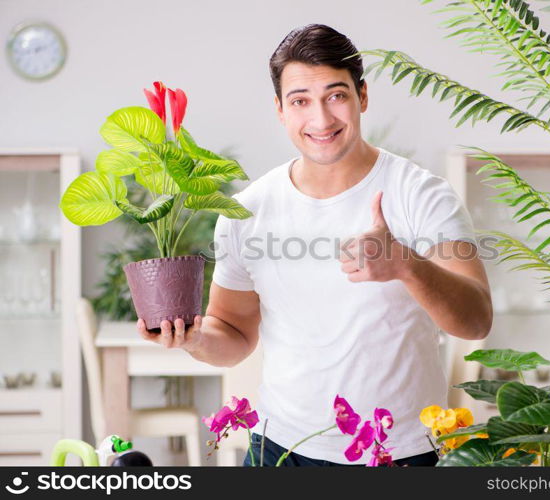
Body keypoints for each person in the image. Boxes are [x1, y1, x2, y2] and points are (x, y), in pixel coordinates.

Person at [137, 24, 492, 467]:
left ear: (363, 96)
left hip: (396, 454)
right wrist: (192, 339)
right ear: (280, 110)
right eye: (301, 100)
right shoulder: (248, 210)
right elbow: (234, 333)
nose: (321, 119)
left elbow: (477, 320)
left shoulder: (422, 194)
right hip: (279, 450)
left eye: (336, 95)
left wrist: (406, 264)